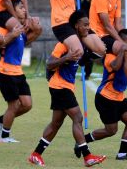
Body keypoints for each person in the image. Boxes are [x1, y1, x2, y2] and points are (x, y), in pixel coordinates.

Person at [28, 10, 106, 167]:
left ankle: (36, 155)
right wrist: (67, 57)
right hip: (59, 86)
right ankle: (87, 156)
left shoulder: (81, 43)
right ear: (76, 26)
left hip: (66, 86)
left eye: (88, 25)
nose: (87, 27)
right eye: (85, 25)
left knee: (55, 124)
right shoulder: (63, 43)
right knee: (77, 118)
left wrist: (96, 54)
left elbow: (83, 61)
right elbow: (49, 63)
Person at [75, 29, 127, 161]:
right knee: (111, 130)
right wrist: (122, 50)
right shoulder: (110, 55)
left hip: (120, 96)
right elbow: (115, 67)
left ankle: (122, 154)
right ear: (120, 42)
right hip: (106, 97)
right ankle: (82, 141)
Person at [0, 0, 41, 143]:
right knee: (14, 105)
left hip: (18, 72)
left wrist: (37, 27)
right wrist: (12, 34)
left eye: (24, 7)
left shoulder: (21, 29)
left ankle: (0, 120)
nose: (24, 10)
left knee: (27, 105)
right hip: (5, 71)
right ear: (12, 11)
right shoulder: (7, 28)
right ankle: (5, 136)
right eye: (20, 8)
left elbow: (32, 36)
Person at [78, 0, 95, 80]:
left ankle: (87, 73)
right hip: (79, 27)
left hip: (89, 27)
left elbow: (96, 6)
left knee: (88, 50)